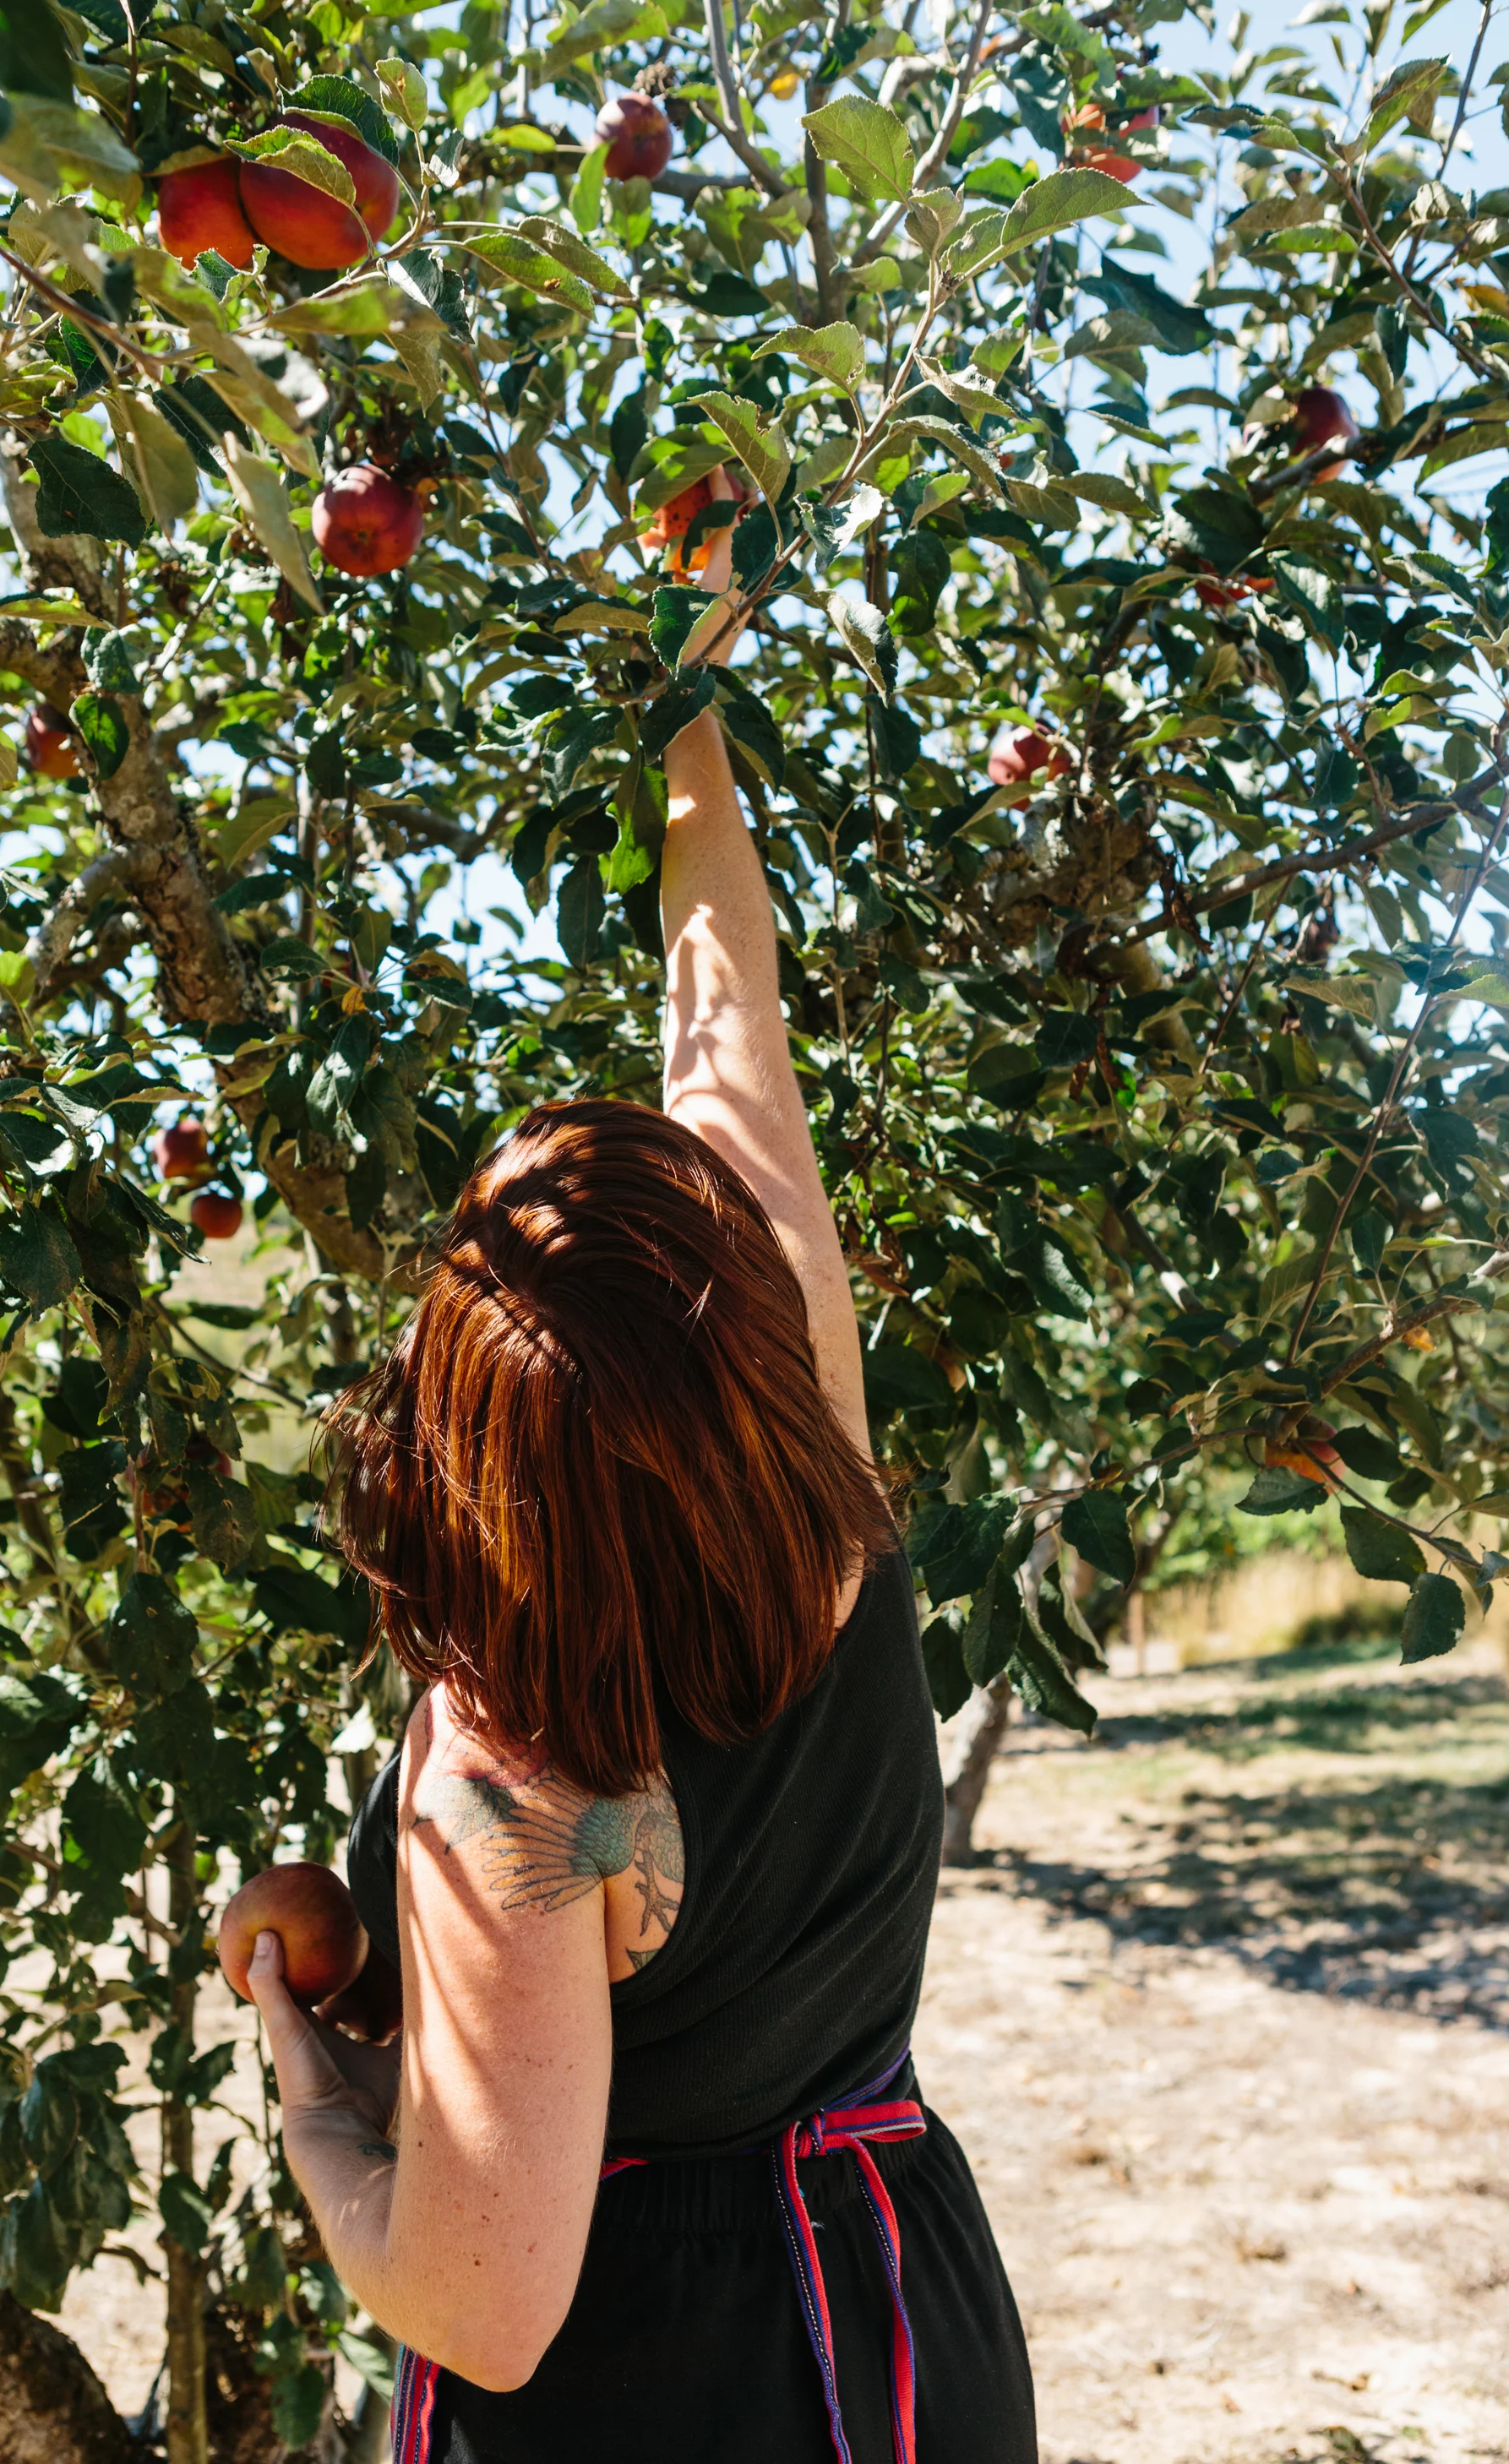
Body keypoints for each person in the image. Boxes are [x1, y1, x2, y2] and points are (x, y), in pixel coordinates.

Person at [242, 562, 1037, 2464]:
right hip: (893, 2306)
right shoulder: (814, 1472)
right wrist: (684, 687)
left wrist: (314, 2100)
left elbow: (482, 2310)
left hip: (650, 2389)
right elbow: (723, 1017)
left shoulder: (514, 1777)